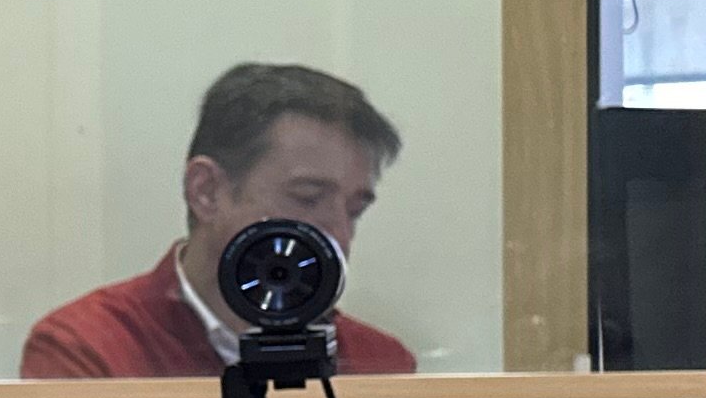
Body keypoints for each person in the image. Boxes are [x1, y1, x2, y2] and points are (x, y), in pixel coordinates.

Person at [21, 62, 419, 379]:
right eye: (307, 198)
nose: (338, 234)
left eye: (355, 209)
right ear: (206, 191)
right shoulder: (90, 349)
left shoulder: (378, 363)